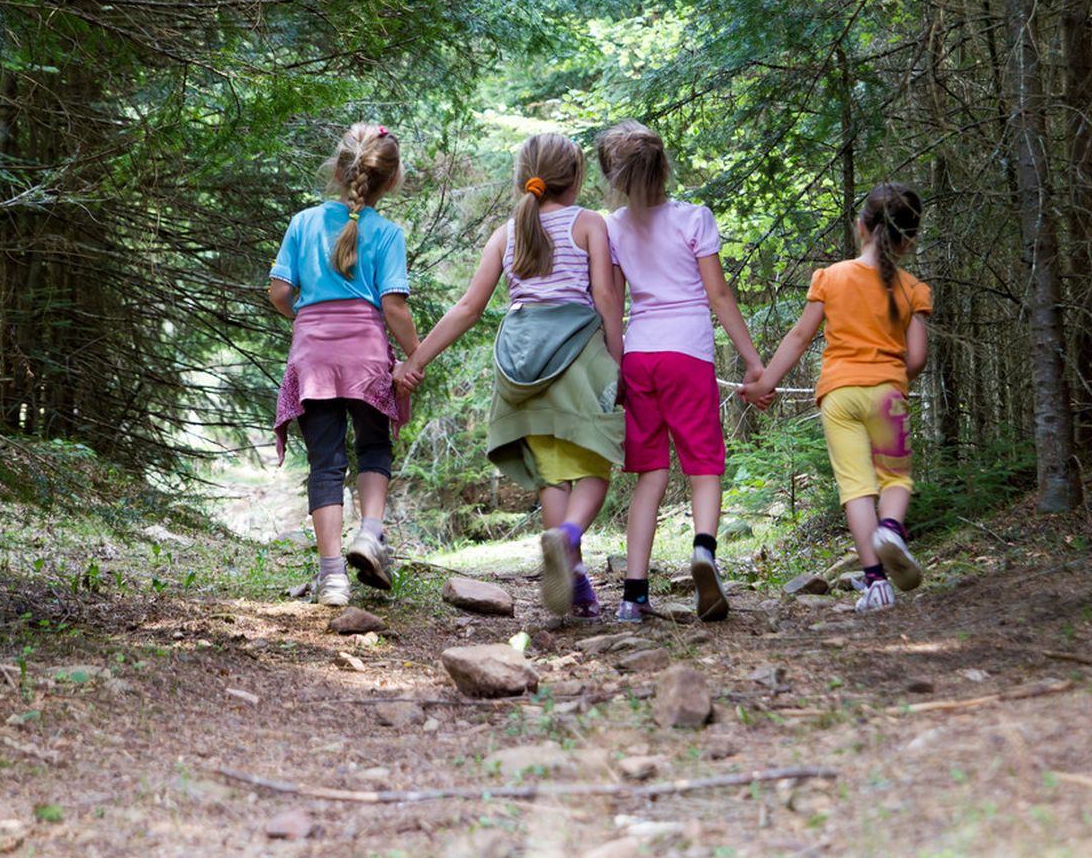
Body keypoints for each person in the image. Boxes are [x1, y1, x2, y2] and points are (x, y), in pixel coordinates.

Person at [395, 133, 624, 618]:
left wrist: (416, 360)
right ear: (577, 178)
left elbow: (467, 308)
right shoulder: (589, 224)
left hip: (520, 360)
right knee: (594, 466)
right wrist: (618, 359)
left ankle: (575, 586)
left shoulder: (507, 233)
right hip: (578, 357)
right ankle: (567, 538)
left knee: (550, 477)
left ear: (524, 177)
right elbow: (605, 297)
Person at [597, 120, 770, 623]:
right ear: (662, 164)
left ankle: (632, 595)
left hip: (639, 355)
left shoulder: (612, 228)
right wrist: (755, 363)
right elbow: (718, 296)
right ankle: (703, 552)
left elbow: (613, 302)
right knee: (704, 466)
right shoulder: (695, 218)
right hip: (688, 355)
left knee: (649, 475)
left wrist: (616, 365)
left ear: (617, 176)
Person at [743, 182, 931, 612]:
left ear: (862, 227)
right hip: (888, 393)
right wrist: (892, 377)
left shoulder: (831, 277)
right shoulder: (912, 289)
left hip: (838, 395)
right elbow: (917, 356)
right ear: (908, 240)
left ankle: (876, 583)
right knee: (895, 478)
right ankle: (891, 530)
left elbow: (799, 336)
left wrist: (764, 383)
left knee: (855, 487)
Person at [269, 123, 419, 607]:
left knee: (325, 464)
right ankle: (370, 533)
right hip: (368, 358)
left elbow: (279, 293)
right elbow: (394, 307)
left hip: (313, 356)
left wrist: (310, 320)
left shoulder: (303, 223)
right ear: (390, 181)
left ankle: (333, 577)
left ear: (338, 170)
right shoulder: (388, 233)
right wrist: (416, 354)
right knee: (374, 447)